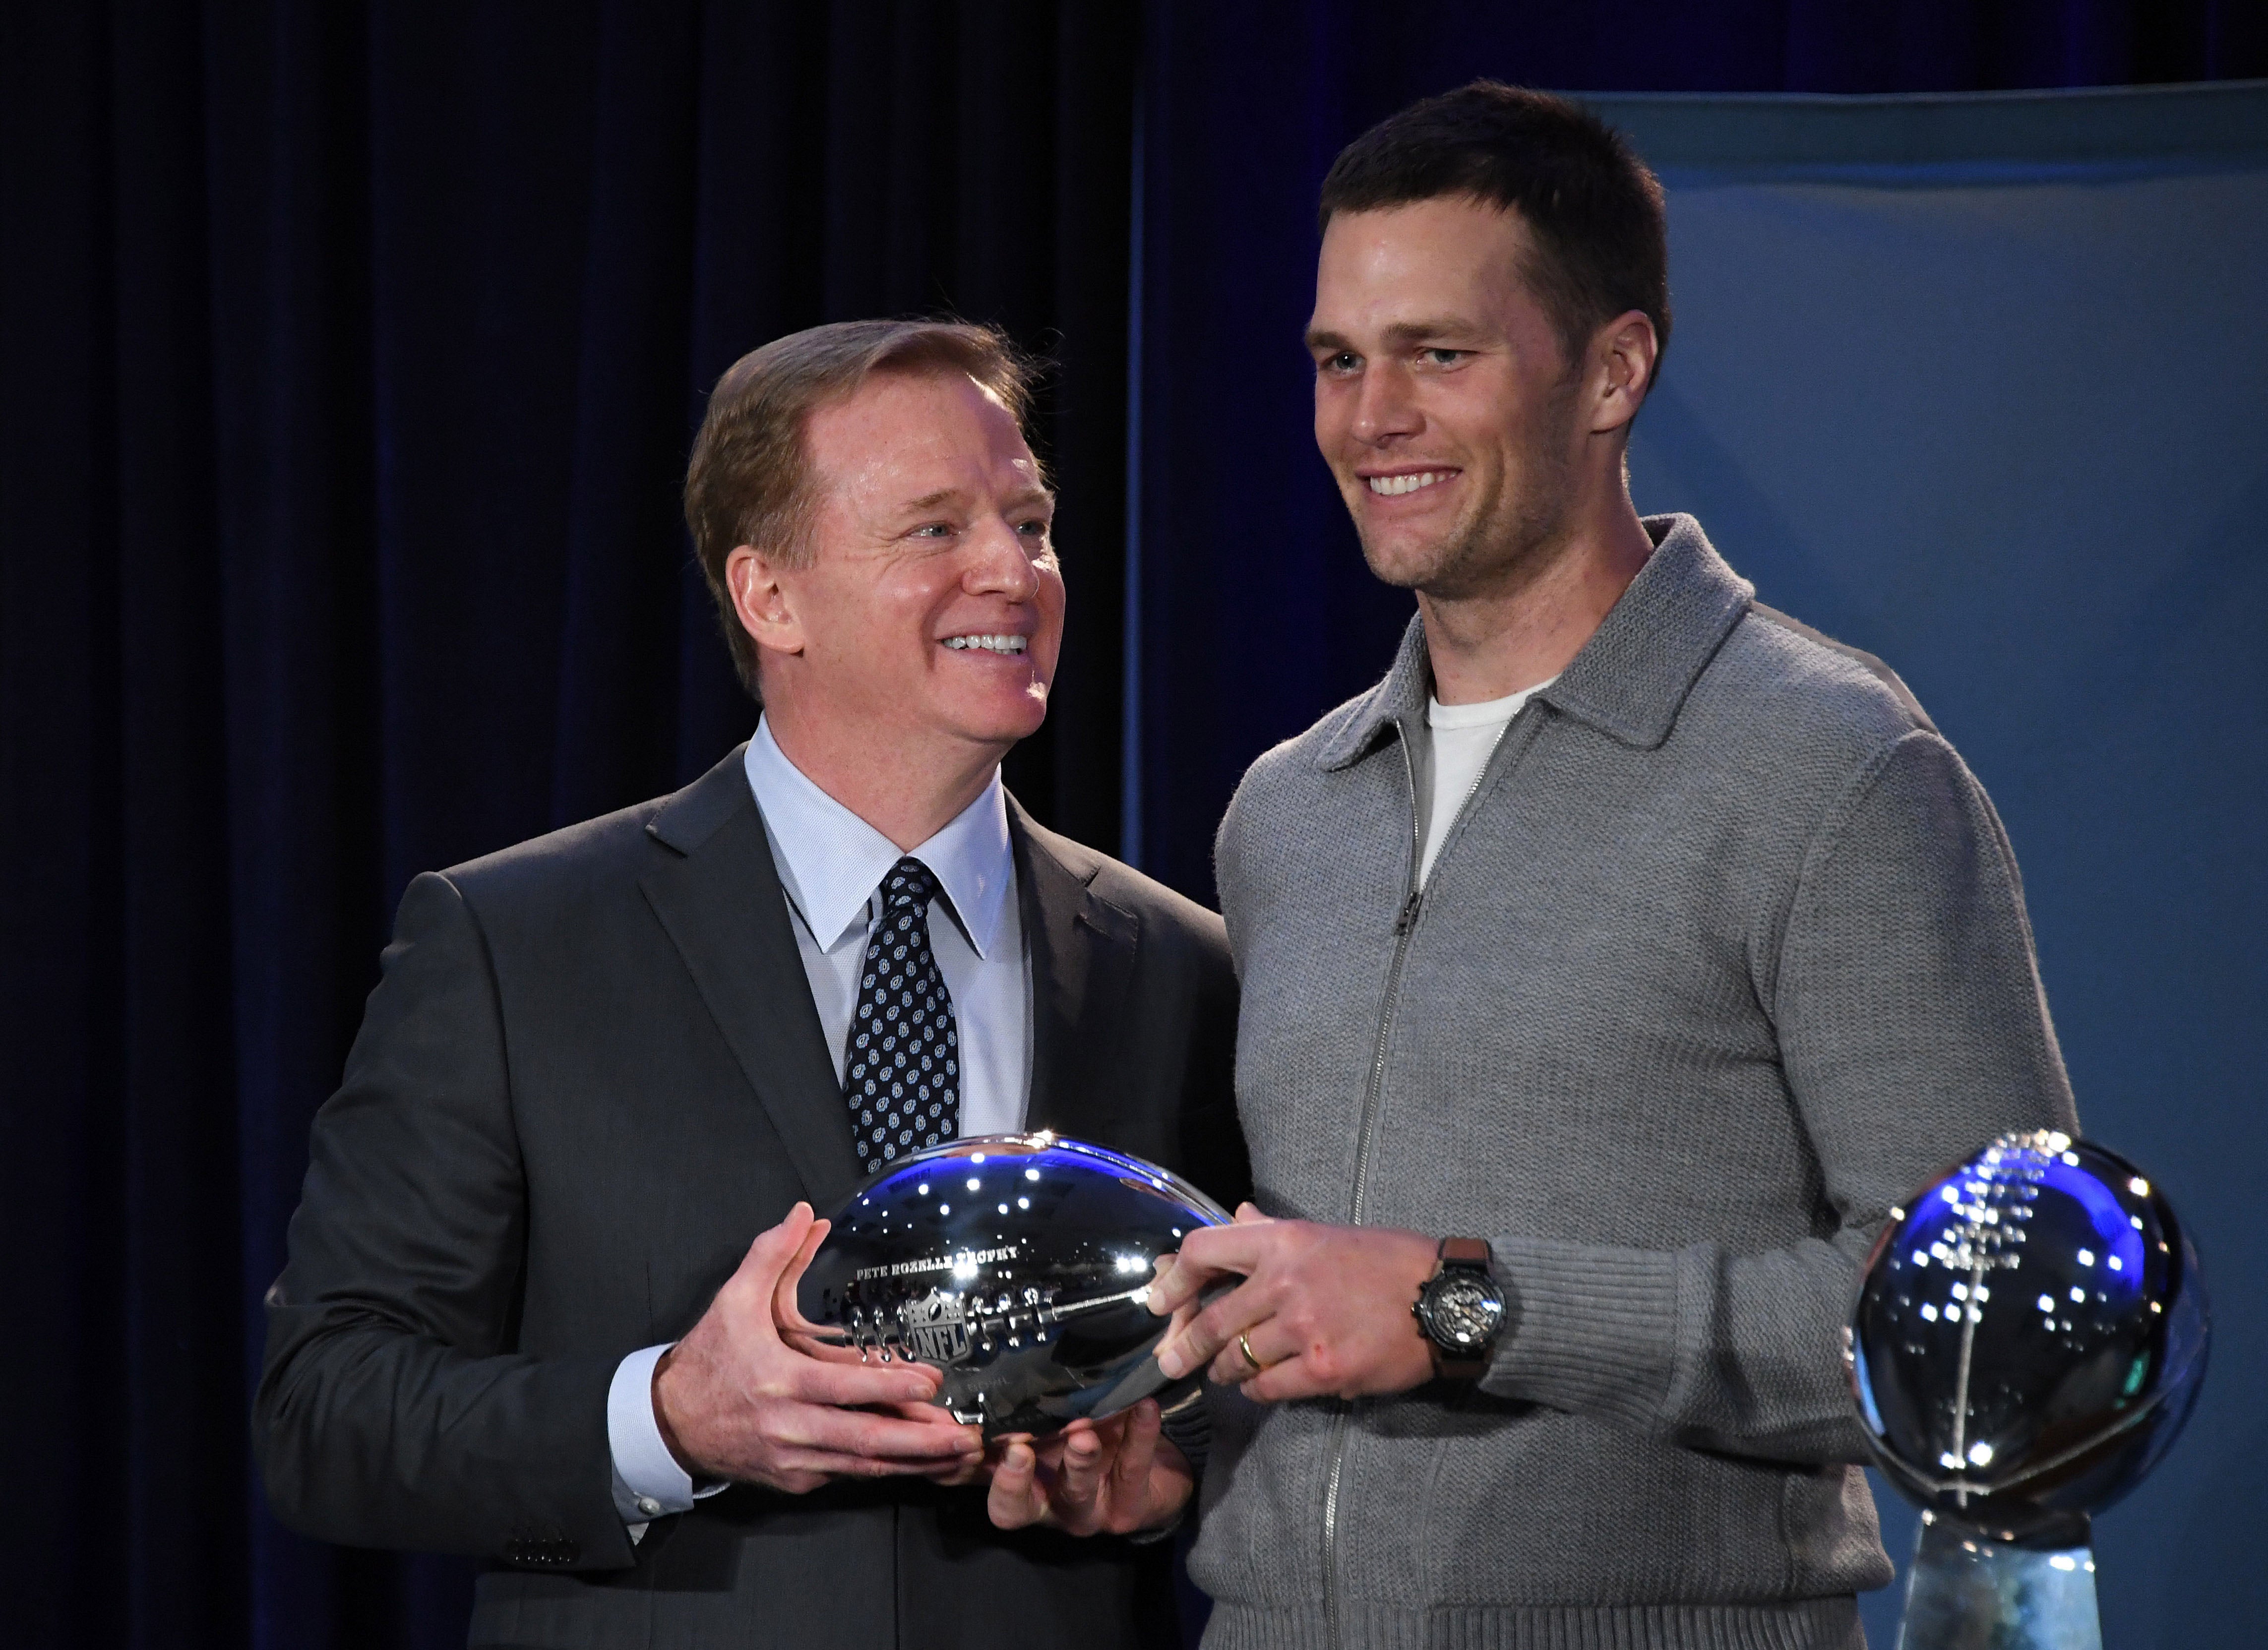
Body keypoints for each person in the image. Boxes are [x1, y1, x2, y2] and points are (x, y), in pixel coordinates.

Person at [1138, 83, 2082, 1649]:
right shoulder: (1286, 811)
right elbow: (1298, 1313)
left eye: (1439, 355)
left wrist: (1471, 1309)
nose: (1372, 418)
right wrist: (1159, 1452)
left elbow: (1983, 1329)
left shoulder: (1833, 768)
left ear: (1613, 371)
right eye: (1337, 361)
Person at [254, 319, 1245, 1649]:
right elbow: (326, 1412)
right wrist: (666, 1418)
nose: (1016, 570)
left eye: (1031, 521)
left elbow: (1238, 1381)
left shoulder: (1176, 963)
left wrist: (1165, 1475)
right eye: (937, 530)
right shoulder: (511, 942)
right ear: (769, 597)